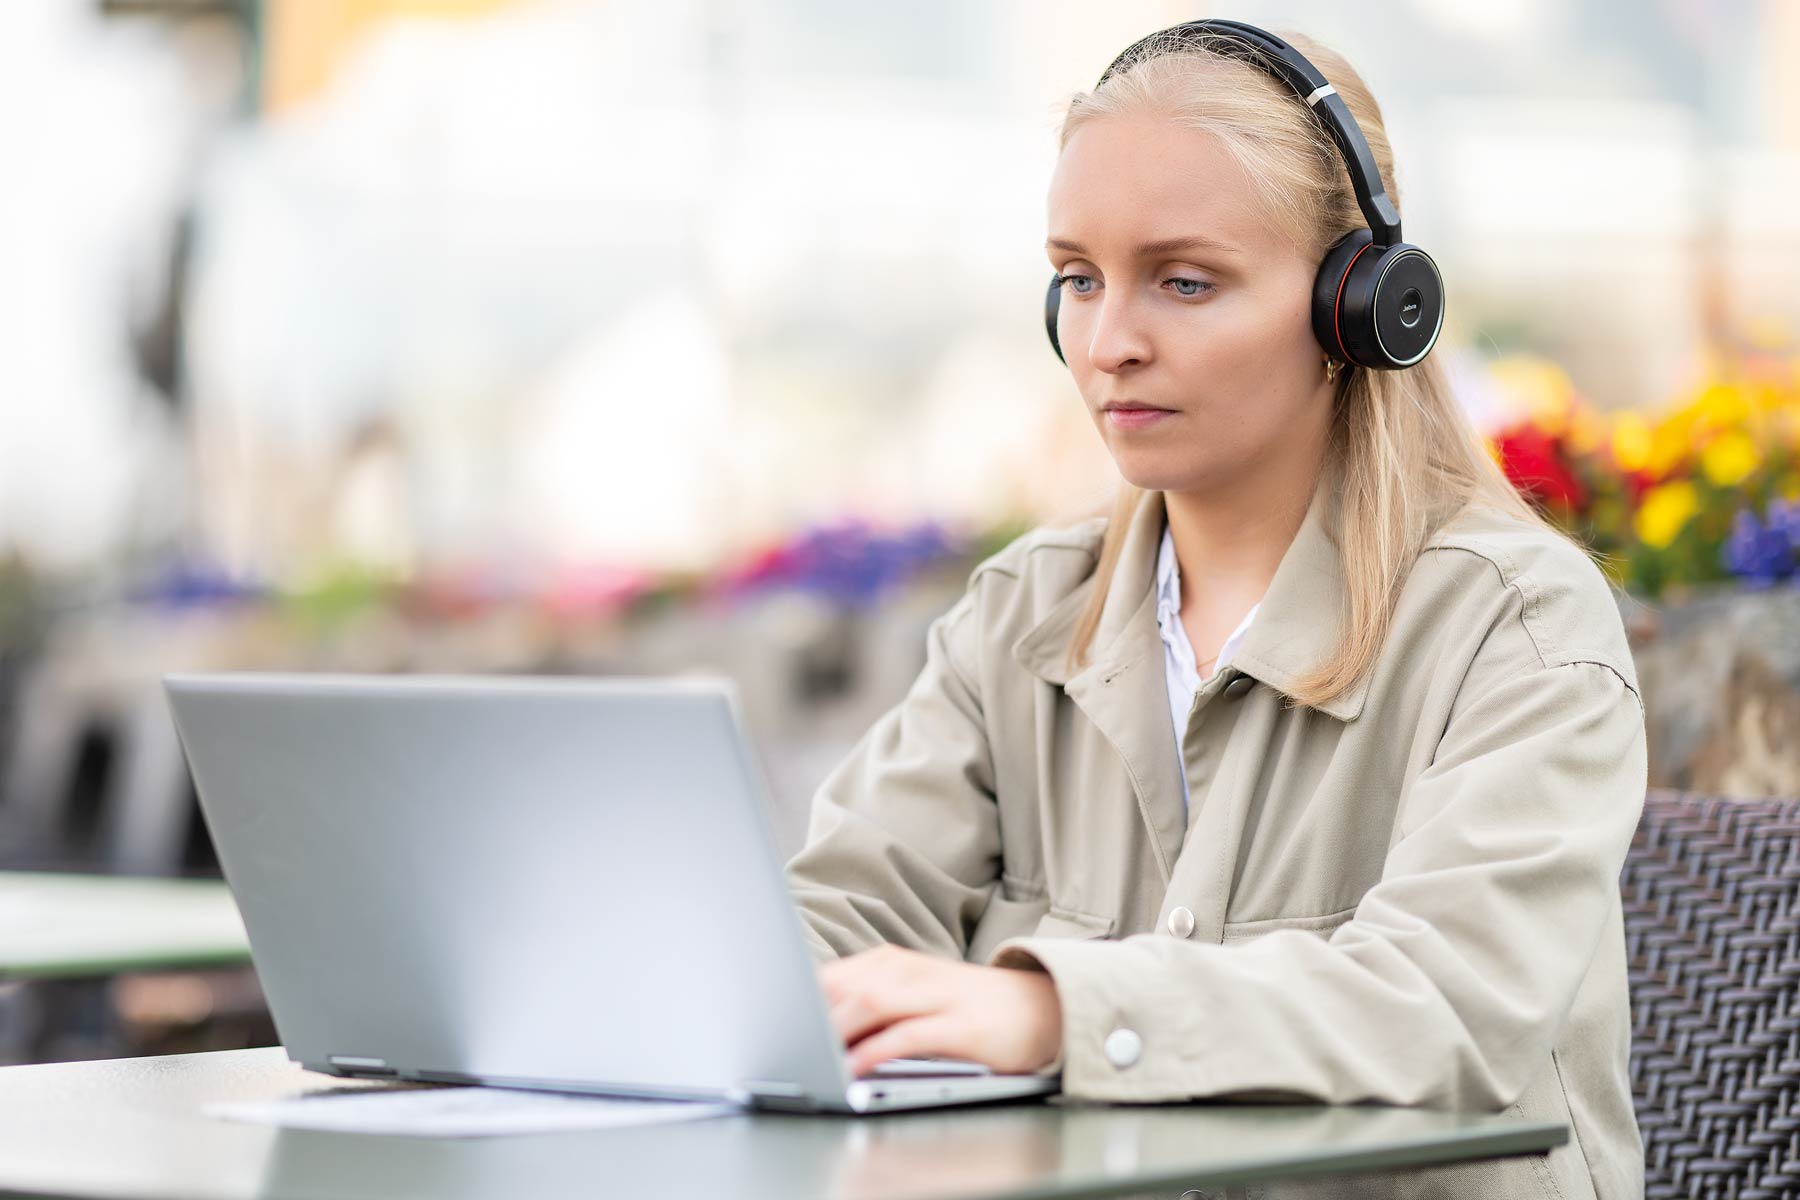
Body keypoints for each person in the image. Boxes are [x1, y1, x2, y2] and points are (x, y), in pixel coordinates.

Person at [785, 22, 1645, 1200]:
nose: (1108, 343)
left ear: (1361, 305)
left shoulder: (1519, 628)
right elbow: (842, 910)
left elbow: (1444, 1011)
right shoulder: (1027, 610)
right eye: (1079, 279)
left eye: (1183, 282)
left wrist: (1049, 1014)